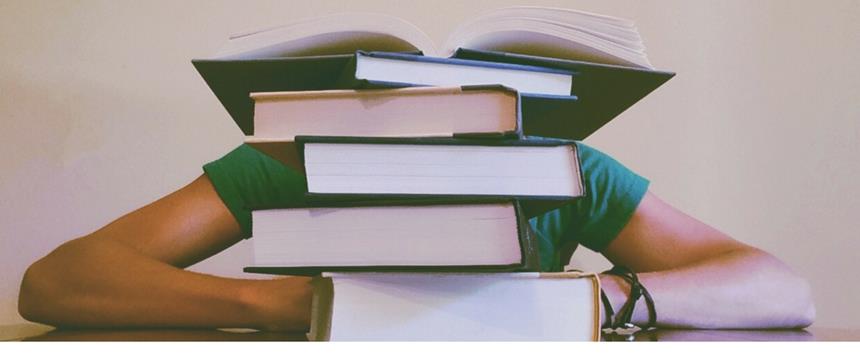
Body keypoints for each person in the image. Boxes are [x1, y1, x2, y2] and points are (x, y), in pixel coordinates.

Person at [17, 142, 815, 332]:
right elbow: (56, 281)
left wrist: (600, 299)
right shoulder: (292, 160)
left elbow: (781, 288)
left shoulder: (561, 171)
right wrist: (295, 307)